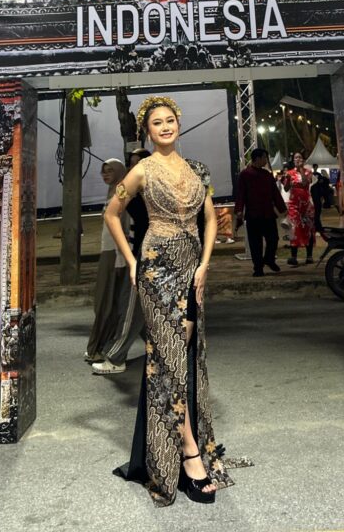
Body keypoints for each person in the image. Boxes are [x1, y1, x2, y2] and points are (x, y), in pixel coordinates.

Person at [105, 94, 239, 506]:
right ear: (147, 131)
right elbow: (111, 214)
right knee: (168, 360)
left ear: (178, 124)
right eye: (156, 123)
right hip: (156, 270)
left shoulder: (198, 170)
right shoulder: (142, 171)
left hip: (191, 270)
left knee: (186, 359)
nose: (165, 127)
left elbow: (211, 219)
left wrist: (205, 264)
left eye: (169, 121)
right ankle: (189, 453)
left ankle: (185, 444)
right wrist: (132, 262)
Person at [92, 149, 151, 376]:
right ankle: (159, 346)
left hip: (146, 256)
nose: (133, 168)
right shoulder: (136, 191)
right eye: (131, 164)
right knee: (138, 308)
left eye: (137, 163)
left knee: (130, 307)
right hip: (137, 254)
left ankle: (116, 357)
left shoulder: (140, 192)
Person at [85, 159, 130, 364]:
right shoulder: (112, 192)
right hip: (108, 252)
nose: (105, 175)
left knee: (107, 302)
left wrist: (120, 258)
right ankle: (97, 347)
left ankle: (97, 348)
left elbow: (122, 228)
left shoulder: (122, 193)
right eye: (103, 172)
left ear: (119, 172)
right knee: (104, 302)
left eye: (110, 171)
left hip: (114, 253)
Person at [234, 147, 287, 277]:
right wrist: (239, 210)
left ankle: (269, 259)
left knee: (273, 239)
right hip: (253, 215)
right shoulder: (245, 175)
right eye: (264, 158)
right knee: (255, 243)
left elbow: (275, 193)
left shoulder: (267, 175)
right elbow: (240, 194)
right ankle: (258, 268)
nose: (266, 161)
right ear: (257, 158)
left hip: (268, 213)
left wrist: (282, 208)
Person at [282, 154, 315, 265]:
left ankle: (309, 256)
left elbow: (305, 183)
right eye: (296, 158)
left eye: (300, 157)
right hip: (294, 204)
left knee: (308, 228)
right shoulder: (289, 173)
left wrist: (301, 169)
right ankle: (293, 257)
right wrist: (287, 179)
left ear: (303, 160)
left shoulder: (308, 172)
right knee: (294, 228)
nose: (298, 159)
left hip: (306, 205)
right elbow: (286, 189)